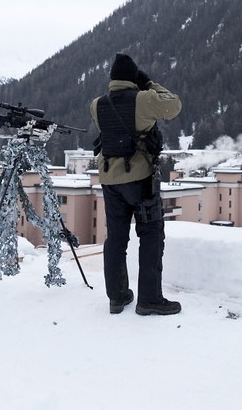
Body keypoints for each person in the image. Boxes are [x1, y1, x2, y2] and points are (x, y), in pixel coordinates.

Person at [90, 54, 182, 315]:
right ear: (134, 78)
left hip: (109, 181)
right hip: (140, 181)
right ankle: (149, 299)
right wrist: (150, 83)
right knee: (151, 235)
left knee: (116, 240)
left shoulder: (97, 105)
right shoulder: (144, 99)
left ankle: (117, 297)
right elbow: (174, 105)